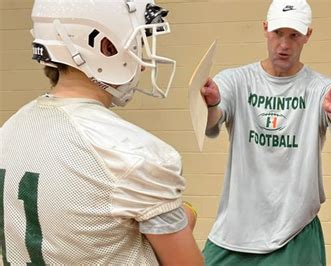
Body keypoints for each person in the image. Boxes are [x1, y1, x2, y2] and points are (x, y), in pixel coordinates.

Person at [0, 0, 203, 265]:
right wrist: (181, 218)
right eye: (136, 45)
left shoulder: (10, 130)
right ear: (106, 46)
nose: (142, 64)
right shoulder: (136, 153)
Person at [200, 0, 331, 265]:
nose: (284, 45)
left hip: (294, 231)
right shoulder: (235, 81)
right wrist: (212, 102)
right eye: (278, 33)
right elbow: (212, 120)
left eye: (294, 35)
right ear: (265, 29)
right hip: (235, 232)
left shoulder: (322, 88)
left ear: (307, 35)